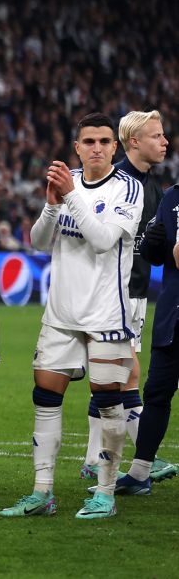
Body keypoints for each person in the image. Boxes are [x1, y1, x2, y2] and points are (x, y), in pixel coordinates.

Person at [0, 113, 143, 520]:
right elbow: (40, 243)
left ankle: (105, 493)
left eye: (103, 141)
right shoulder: (67, 185)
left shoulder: (128, 189)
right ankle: (42, 492)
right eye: (88, 141)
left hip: (106, 315)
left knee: (109, 405)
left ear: (115, 147)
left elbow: (101, 240)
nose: (96, 147)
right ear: (76, 147)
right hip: (60, 314)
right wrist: (50, 204)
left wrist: (71, 197)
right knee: (45, 399)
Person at [80, 111, 168, 480]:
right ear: (134, 141)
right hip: (110, 293)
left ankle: (109, 459)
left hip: (136, 292)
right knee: (118, 374)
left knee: (119, 375)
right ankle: (130, 460)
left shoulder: (154, 187)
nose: (165, 142)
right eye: (157, 136)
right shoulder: (114, 183)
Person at [112, 184, 179, 493]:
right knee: (156, 393)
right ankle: (140, 474)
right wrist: (153, 245)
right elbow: (157, 255)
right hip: (172, 316)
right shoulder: (172, 197)